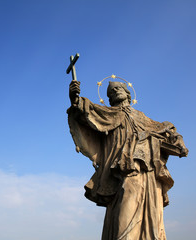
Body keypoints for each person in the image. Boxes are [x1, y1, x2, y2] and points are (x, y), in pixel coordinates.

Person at [67, 80, 188, 240]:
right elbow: (84, 112)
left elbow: (165, 129)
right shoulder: (107, 113)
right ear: (109, 99)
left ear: (128, 93)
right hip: (123, 168)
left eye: (118, 89)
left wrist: (177, 138)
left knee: (150, 208)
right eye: (111, 92)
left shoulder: (141, 117)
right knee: (126, 204)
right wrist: (75, 98)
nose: (115, 91)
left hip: (147, 169)